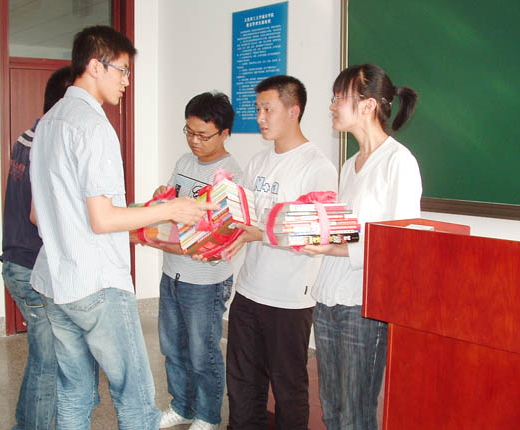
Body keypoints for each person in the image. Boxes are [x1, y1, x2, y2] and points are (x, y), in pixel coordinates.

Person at [28, 25, 214, 430]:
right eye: (123, 70)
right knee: (135, 400)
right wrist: (171, 210)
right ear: (96, 66)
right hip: (96, 283)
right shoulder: (93, 126)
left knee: (74, 392)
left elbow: (41, 215)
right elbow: (104, 219)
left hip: (56, 281)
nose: (127, 81)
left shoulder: (48, 123)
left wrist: (150, 210)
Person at [304, 64, 422, 429]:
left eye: (339, 97)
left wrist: (331, 247)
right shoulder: (349, 164)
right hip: (328, 299)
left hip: (364, 305)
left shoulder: (399, 162)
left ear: (368, 105)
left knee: (356, 415)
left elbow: (400, 244)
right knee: (331, 409)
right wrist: (316, 232)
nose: (332, 105)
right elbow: (346, 230)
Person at [223, 75, 339, 429]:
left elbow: (319, 232)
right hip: (248, 291)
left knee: (288, 390)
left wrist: (260, 233)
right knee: (243, 386)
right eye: (257, 109)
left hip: (290, 299)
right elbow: (242, 217)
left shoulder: (317, 166)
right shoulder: (258, 162)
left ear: (293, 111)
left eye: (267, 109)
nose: (260, 117)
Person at [148, 92, 241, 430]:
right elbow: (169, 204)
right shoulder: (184, 163)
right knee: (173, 347)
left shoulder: (231, 176)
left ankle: (207, 415)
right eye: (189, 132)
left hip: (205, 280)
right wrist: (160, 200)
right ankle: (182, 407)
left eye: (203, 135)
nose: (194, 141)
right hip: (172, 273)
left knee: (203, 353)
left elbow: (221, 235)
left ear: (224, 133)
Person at [0, 66, 72, 430]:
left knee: (40, 357)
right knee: (50, 362)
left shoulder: (26, 137)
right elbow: (37, 215)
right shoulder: (47, 143)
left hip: (15, 261)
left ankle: (24, 423)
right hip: (32, 267)